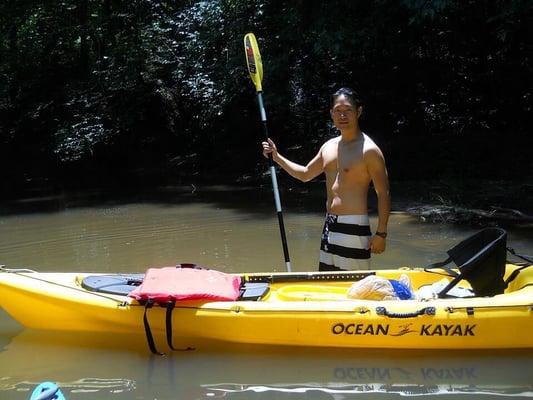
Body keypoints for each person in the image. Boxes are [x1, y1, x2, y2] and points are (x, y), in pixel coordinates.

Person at [262, 87, 390, 271]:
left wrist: (381, 233)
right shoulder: (329, 146)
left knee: (352, 287)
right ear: (331, 113)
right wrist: (276, 157)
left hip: (354, 227)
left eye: (348, 110)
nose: (342, 115)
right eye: (338, 111)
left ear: (359, 111)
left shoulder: (369, 150)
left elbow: (383, 193)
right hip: (330, 225)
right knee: (327, 281)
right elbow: (305, 174)